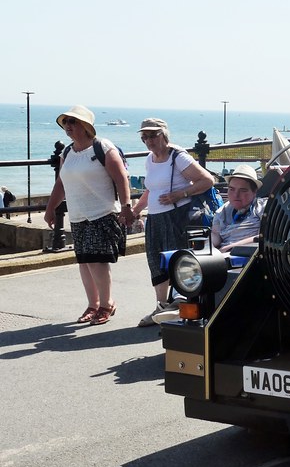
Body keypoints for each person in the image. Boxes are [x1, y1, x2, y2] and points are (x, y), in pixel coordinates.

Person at [42, 106, 133, 326]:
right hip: (78, 215)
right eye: (66, 122)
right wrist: (51, 207)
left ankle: (106, 304)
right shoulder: (67, 152)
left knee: (97, 262)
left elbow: (121, 178)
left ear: (85, 126)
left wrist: (126, 206)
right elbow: (61, 183)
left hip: (101, 213)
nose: (69, 126)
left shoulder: (103, 148)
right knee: (84, 262)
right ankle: (93, 305)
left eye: (73, 122)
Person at [131, 118, 215, 327]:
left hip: (177, 218)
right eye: (145, 137)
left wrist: (181, 193)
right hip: (156, 217)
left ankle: (183, 306)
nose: (148, 140)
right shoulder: (150, 159)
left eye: (153, 135)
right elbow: (151, 188)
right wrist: (136, 210)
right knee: (156, 262)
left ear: (164, 135)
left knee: (178, 262)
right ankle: (161, 308)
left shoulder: (177, 157)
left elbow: (207, 180)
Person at [211, 165, 266, 252]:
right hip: (222, 256)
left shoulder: (262, 208)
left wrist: (232, 247)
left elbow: (265, 237)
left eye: (243, 190)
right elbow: (215, 236)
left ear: (254, 192)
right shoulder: (221, 212)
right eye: (232, 189)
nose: (236, 195)